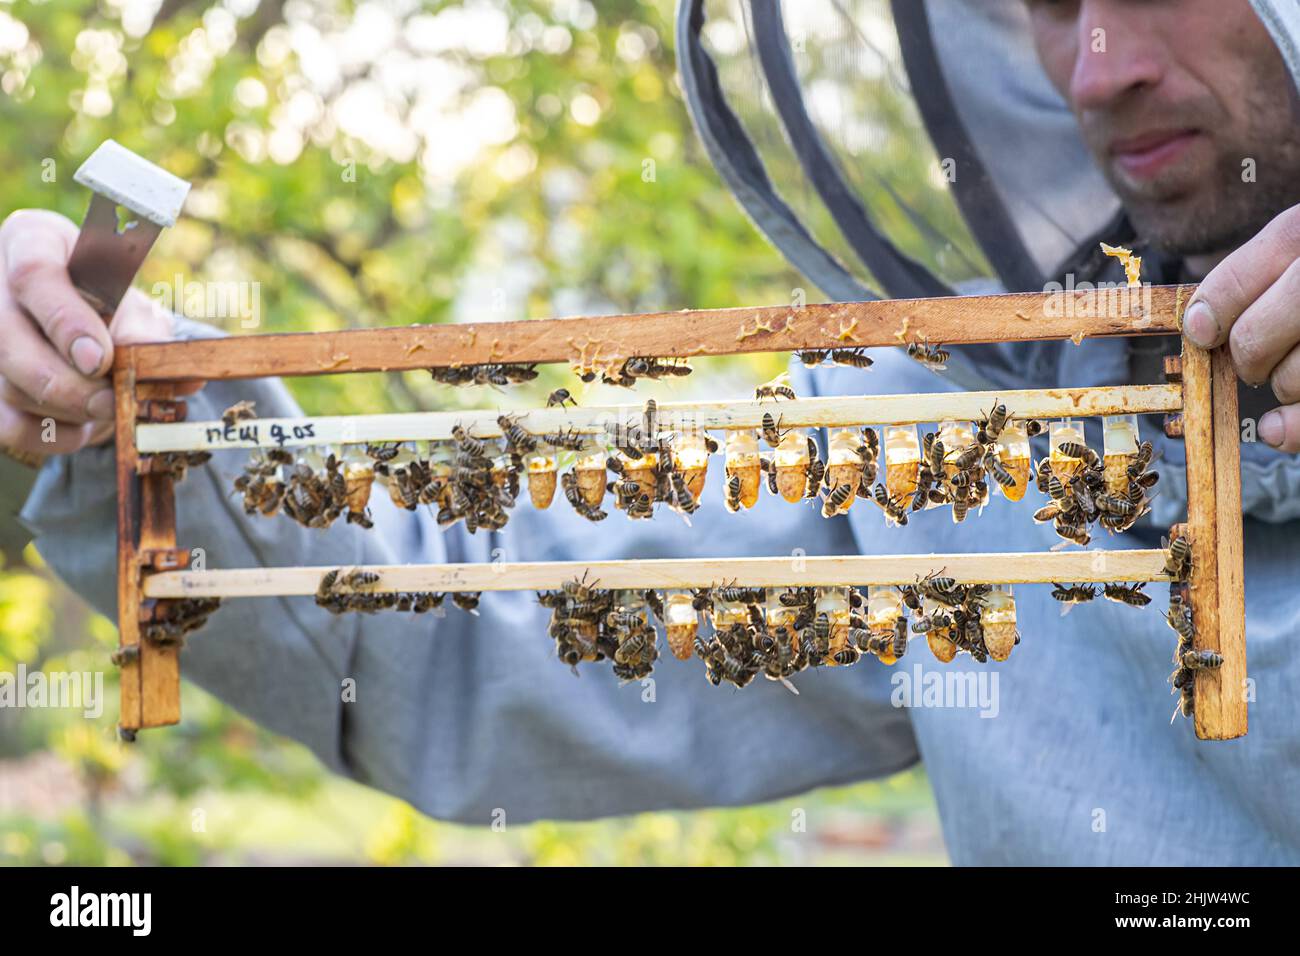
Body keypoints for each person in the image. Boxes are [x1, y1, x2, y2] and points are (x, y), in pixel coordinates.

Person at [2, 0, 1298, 864]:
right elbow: (450, 630)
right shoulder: (974, 443)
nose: (1099, 65)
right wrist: (136, 398)